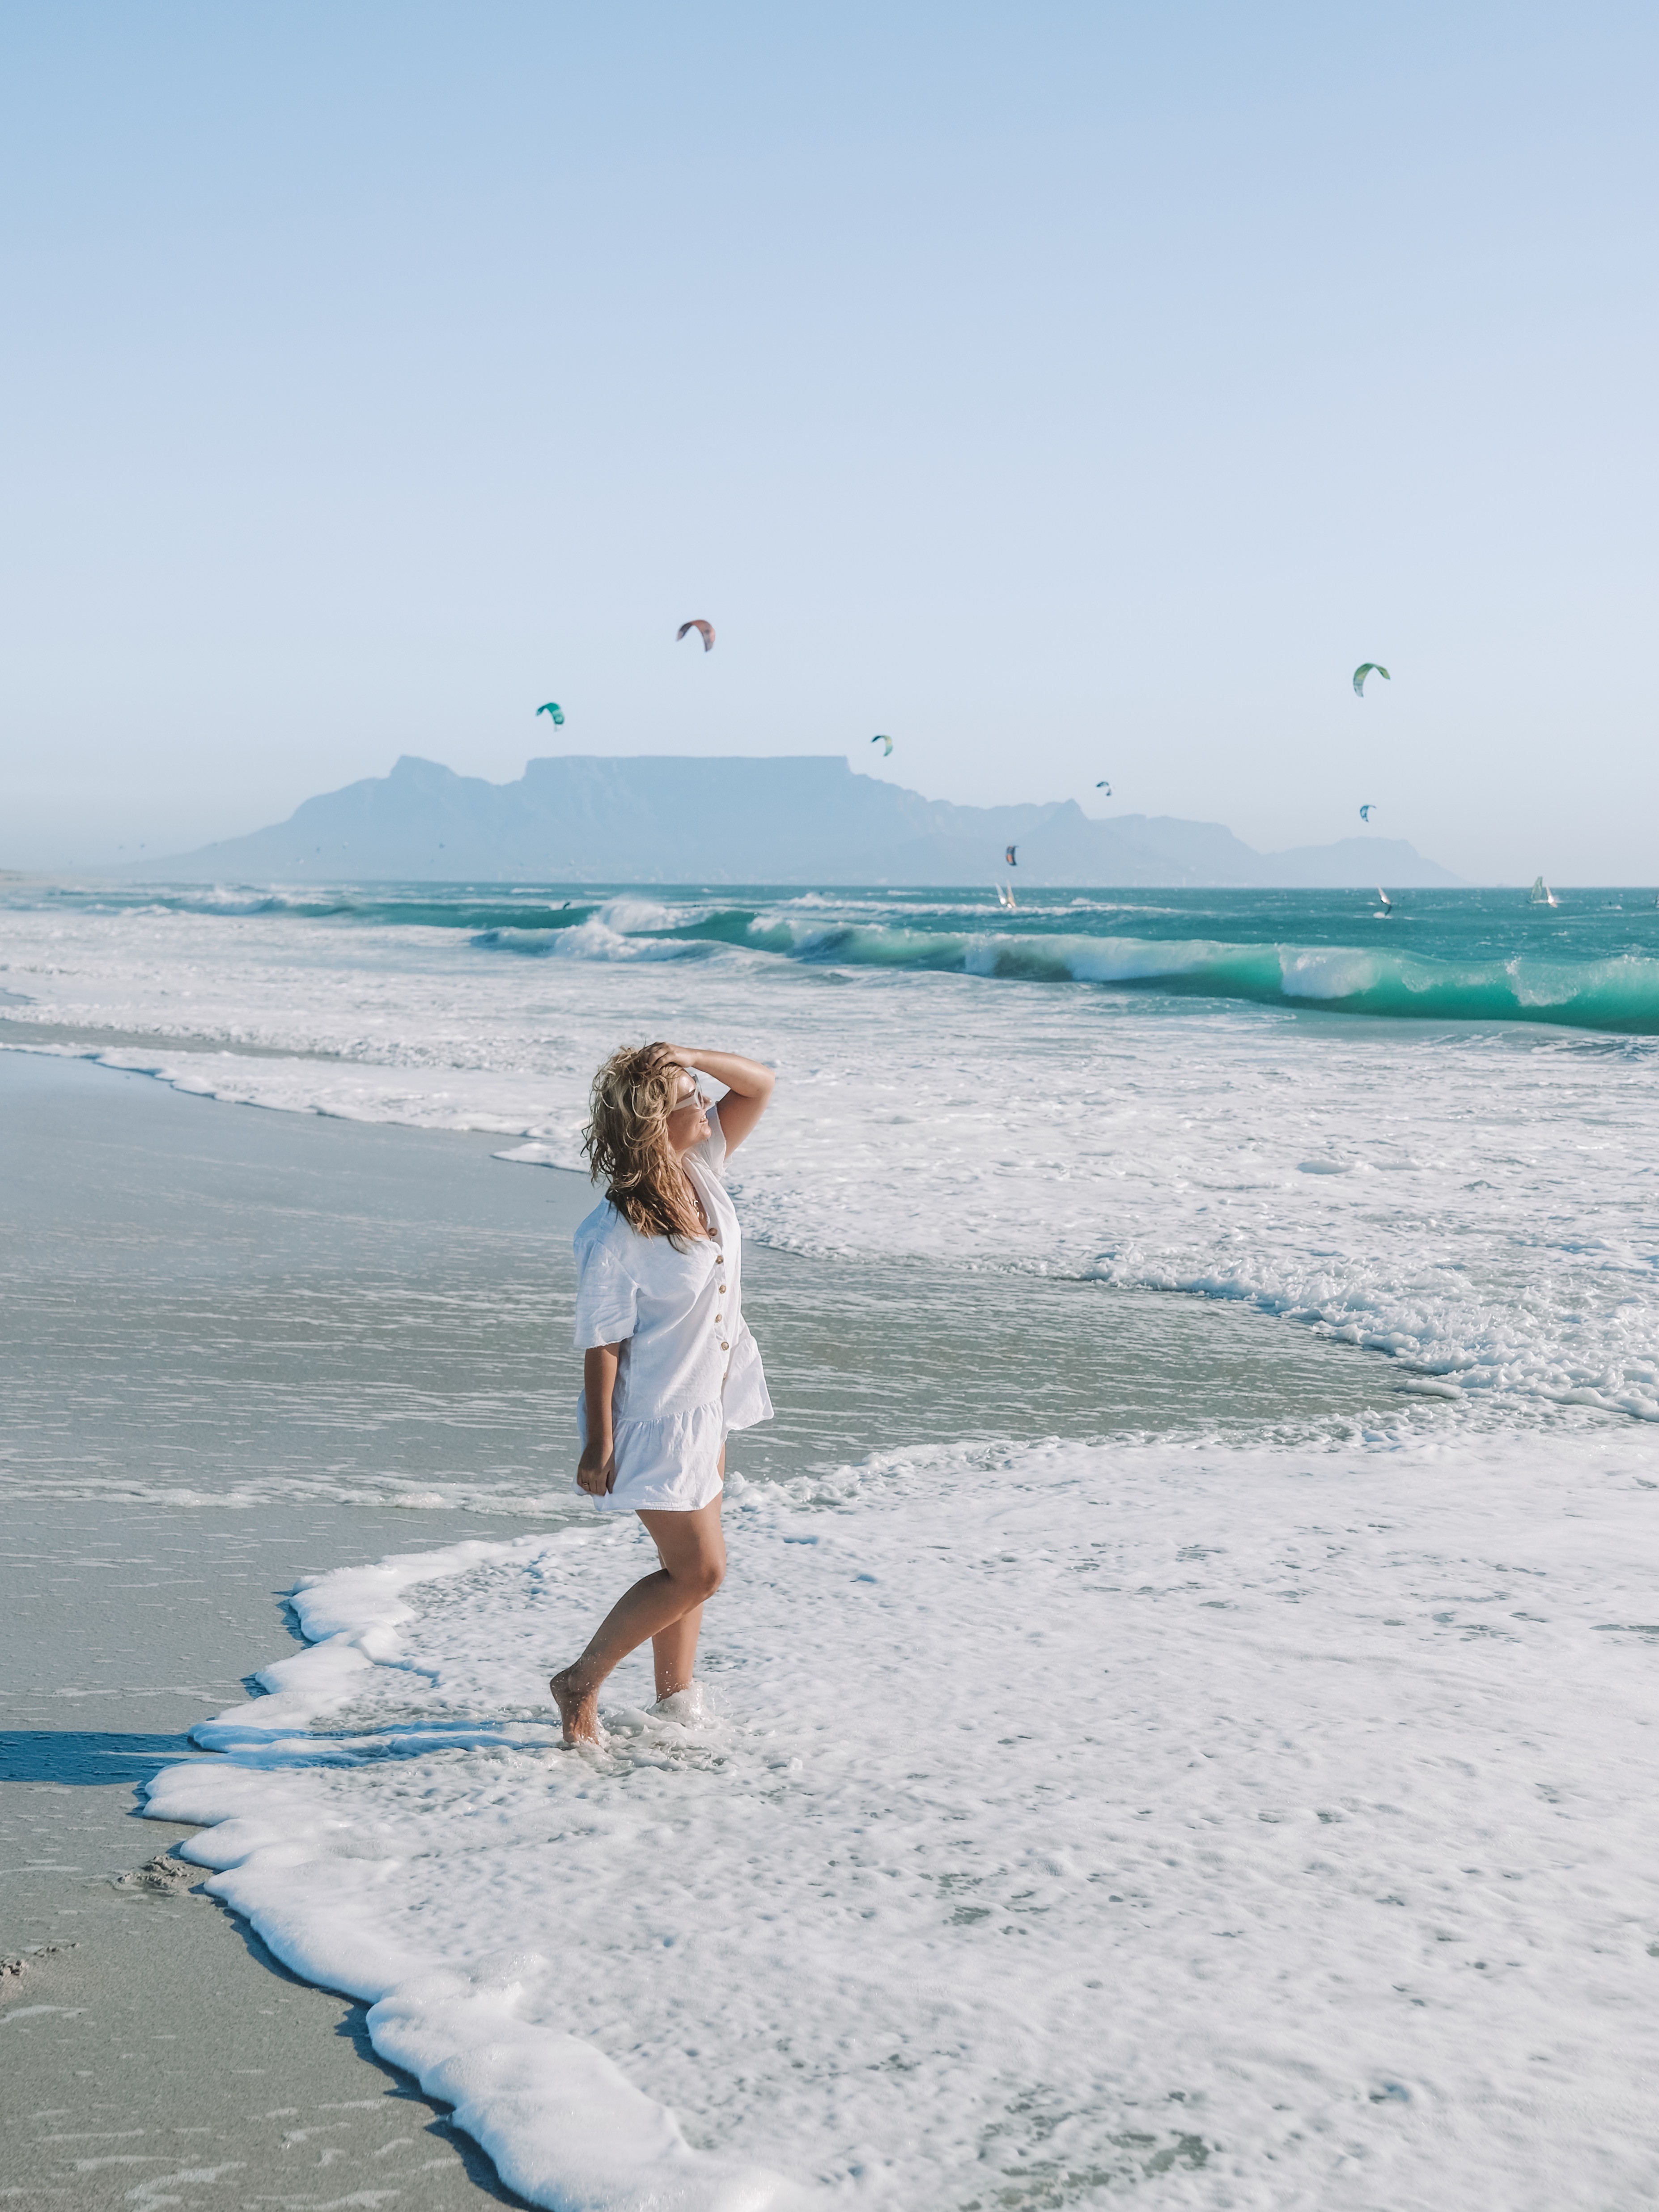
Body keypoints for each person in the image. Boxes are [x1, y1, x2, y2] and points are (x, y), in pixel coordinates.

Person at [550, 1041, 776, 1745]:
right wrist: (600, 1442)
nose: (706, 1103)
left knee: (684, 1568)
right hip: (651, 1417)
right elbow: (602, 1340)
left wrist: (687, 1054)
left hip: (707, 1400)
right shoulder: (612, 1232)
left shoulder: (699, 1171)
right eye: (689, 1097)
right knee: (701, 1570)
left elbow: (761, 1084)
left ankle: (676, 1704)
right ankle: (580, 1681)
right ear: (655, 1123)